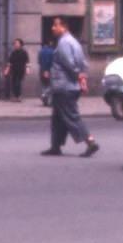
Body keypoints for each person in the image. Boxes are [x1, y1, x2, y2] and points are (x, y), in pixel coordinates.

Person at [42, 16, 99, 157]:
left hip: (64, 86)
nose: (52, 28)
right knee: (58, 118)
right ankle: (55, 146)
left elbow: (70, 64)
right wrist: (82, 78)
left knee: (71, 116)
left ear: (64, 27)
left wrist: (78, 76)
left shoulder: (64, 43)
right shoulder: (74, 42)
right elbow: (83, 63)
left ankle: (90, 142)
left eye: (55, 25)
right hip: (69, 86)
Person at [37, 38, 56, 107]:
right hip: (49, 70)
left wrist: (43, 70)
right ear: (50, 43)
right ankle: (45, 96)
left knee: (44, 85)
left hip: (41, 69)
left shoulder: (40, 51)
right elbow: (50, 61)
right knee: (51, 85)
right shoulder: (52, 51)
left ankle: (45, 101)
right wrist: (47, 70)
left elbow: (39, 61)